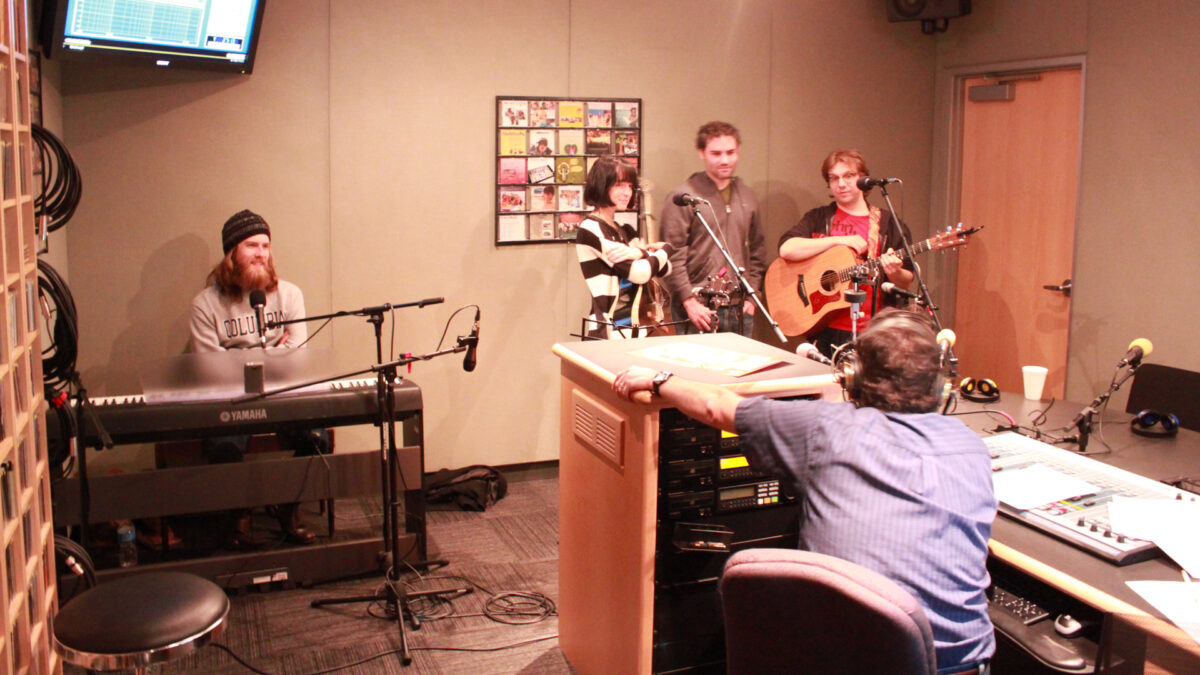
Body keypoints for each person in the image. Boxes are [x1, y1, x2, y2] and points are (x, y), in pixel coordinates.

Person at [611, 308, 996, 675]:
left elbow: (716, 406)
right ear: (941, 387)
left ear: (853, 379)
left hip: (837, 660)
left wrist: (660, 379)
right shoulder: (972, 448)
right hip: (956, 666)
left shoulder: (824, 427)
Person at [190, 209, 325, 547]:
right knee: (223, 446)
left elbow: (298, 353)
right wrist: (269, 356)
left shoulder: (290, 295)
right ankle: (238, 518)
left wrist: (238, 356)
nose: (261, 253)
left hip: (283, 391)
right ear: (231, 253)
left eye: (265, 245)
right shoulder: (205, 305)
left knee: (316, 438)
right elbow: (212, 367)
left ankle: (288, 509)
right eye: (251, 245)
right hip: (232, 396)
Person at [778, 148, 915, 356]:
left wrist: (894, 272)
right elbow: (787, 249)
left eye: (848, 176)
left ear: (863, 179)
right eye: (834, 178)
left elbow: (907, 279)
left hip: (872, 332)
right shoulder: (819, 218)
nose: (841, 184)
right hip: (824, 331)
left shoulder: (888, 223)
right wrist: (839, 240)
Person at [660, 121, 766, 336]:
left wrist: (753, 296)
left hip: (739, 309)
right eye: (716, 153)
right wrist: (689, 302)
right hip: (699, 308)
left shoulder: (747, 196)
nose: (725, 160)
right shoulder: (684, 197)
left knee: (739, 369)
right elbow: (672, 255)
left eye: (730, 152)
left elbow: (758, 251)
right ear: (702, 153)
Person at [575, 155, 673, 339]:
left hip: (637, 324)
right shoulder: (590, 228)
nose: (627, 192)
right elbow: (640, 273)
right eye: (620, 185)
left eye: (630, 186)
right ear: (603, 184)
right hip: (608, 329)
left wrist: (642, 253)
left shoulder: (625, 230)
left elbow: (665, 269)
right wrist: (663, 249)